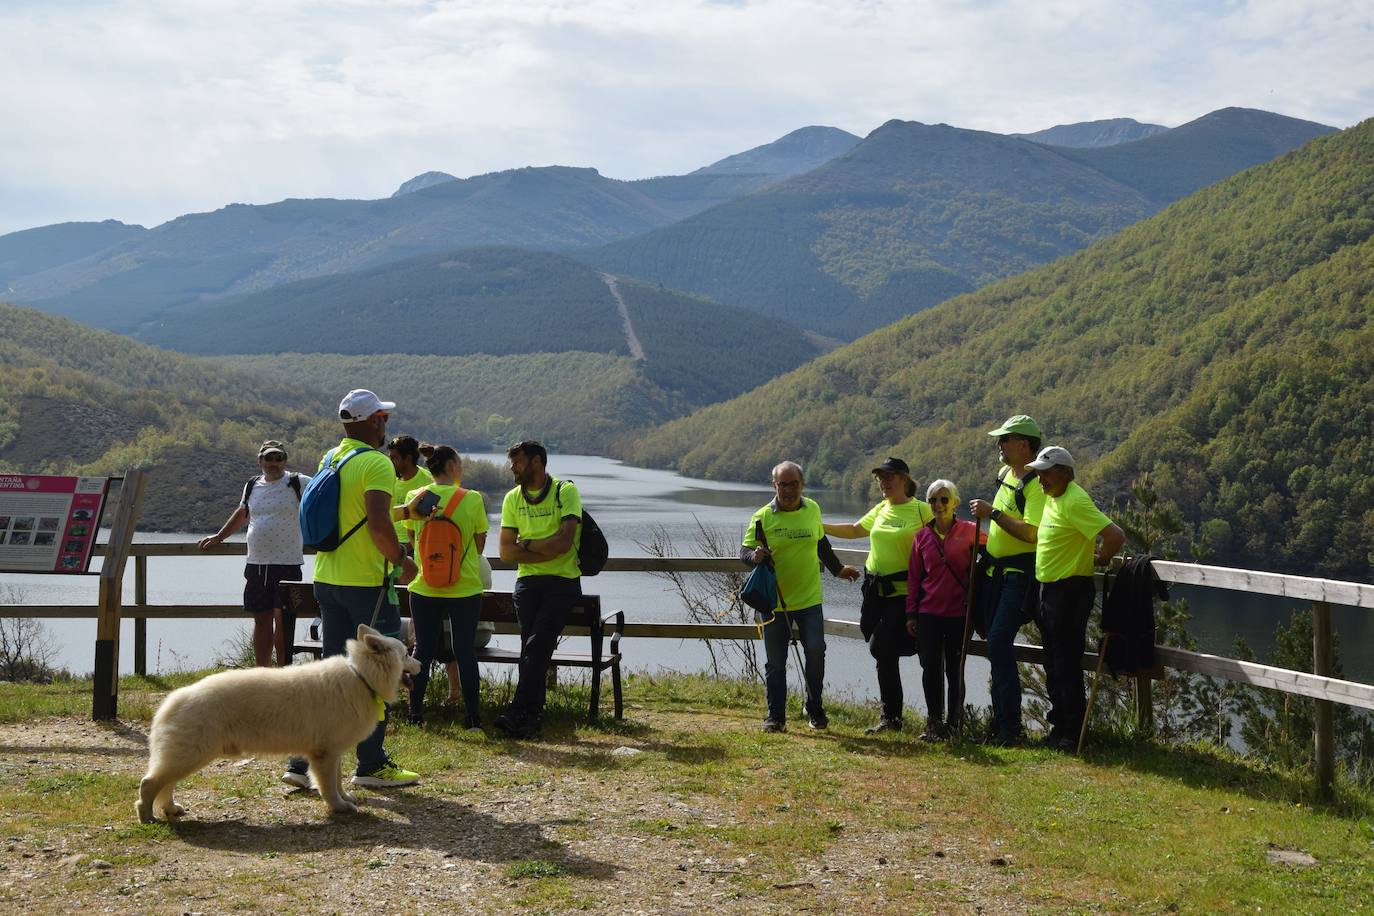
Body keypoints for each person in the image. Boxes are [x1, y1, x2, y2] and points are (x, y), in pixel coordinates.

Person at [282, 389, 421, 790]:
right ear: (373, 420)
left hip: (327, 578)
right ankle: (372, 765)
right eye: (383, 417)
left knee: (333, 676)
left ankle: (301, 762)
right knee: (377, 674)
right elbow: (377, 524)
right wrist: (402, 561)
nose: (386, 424)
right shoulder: (377, 463)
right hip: (367, 585)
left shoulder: (332, 457)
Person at [742, 461, 861, 733]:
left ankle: (815, 708)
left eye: (793, 484)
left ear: (802, 484)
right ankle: (775, 716)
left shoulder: (813, 509)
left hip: (809, 600)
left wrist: (839, 569)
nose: (788, 490)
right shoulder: (762, 517)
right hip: (774, 602)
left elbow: (821, 544)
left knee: (816, 652)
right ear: (774, 486)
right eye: (782, 484)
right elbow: (745, 553)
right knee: (775, 662)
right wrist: (754, 557)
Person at [1026, 446, 1125, 751]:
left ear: (1065, 472)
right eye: (1039, 472)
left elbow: (1115, 535)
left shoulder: (1075, 499)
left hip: (1069, 591)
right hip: (1049, 590)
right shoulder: (1052, 498)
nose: (1041, 478)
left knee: (1066, 663)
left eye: (1046, 472)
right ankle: (1059, 728)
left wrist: (1101, 559)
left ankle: (1073, 733)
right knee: (1053, 662)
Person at [824, 457, 932, 733]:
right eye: (880, 478)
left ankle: (932, 719)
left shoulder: (922, 511)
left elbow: (946, 537)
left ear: (904, 479)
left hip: (905, 595)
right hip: (874, 593)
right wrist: (819, 525)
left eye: (889, 477)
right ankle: (891, 718)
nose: (883, 483)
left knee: (881, 646)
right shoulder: (881, 509)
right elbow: (855, 530)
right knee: (882, 651)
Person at [495, 440, 582, 739]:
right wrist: (545, 550)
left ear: (536, 462)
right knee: (533, 646)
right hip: (528, 584)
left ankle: (520, 710)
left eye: (517, 461)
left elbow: (564, 544)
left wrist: (527, 545)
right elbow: (506, 551)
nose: (512, 468)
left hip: (562, 583)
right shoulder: (511, 498)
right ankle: (531, 714)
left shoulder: (565, 491)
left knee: (535, 644)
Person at [396, 446, 488, 729]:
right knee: (464, 651)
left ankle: (415, 715)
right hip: (465, 589)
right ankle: (472, 718)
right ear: (450, 466)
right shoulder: (471, 499)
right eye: (459, 463)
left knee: (421, 650)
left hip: (424, 587)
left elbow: (413, 541)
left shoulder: (415, 497)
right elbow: (479, 546)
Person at [968, 415, 1046, 745]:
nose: (999, 445)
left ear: (1024, 444)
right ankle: (1000, 723)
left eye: (1005, 439)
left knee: (998, 642)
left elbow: (1032, 533)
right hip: (996, 574)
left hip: (1018, 576)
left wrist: (994, 514)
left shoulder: (1036, 484)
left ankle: (1010, 728)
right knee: (994, 645)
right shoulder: (1005, 475)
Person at [198, 440, 309, 667]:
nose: (274, 463)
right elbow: (242, 513)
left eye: (279, 458)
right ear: (260, 460)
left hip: (287, 563)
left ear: (285, 460)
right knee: (261, 620)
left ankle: (283, 673)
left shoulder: (299, 482)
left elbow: (323, 501)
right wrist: (219, 537)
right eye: (269, 458)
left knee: (283, 620)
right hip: (257, 564)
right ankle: (261, 673)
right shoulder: (251, 485)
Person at [905, 479, 979, 741]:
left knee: (955, 670)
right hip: (929, 614)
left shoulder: (972, 530)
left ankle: (955, 724)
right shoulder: (922, 537)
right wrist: (911, 613)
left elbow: (996, 551)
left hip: (960, 614)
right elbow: (914, 578)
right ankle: (934, 722)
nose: (938, 505)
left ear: (956, 502)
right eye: (933, 500)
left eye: (944, 499)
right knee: (931, 669)